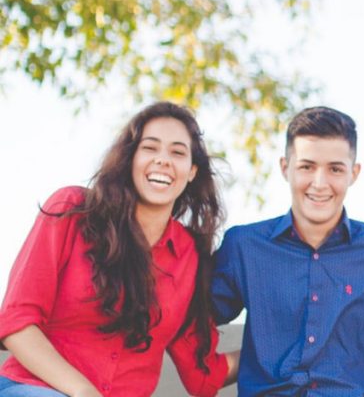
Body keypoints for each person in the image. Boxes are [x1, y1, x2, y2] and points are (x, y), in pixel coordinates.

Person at [0, 102, 238, 397]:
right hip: (31, 389)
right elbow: (17, 322)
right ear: (130, 159)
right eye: (150, 148)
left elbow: (203, 377)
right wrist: (83, 392)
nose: (163, 160)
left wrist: (281, 349)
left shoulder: (190, 257)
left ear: (191, 172)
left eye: (177, 152)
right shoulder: (72, 210)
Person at [212, 106, 364, 396]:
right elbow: (189, 319)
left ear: (354, 173)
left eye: (335, 169)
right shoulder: (244, 246)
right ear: (285, 167)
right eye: (307, 167)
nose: (320, 183)